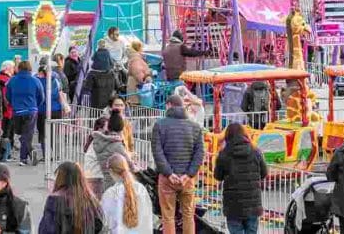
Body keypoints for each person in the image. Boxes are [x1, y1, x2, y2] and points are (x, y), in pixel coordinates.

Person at [152, 94, 205, 234]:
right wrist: (188, 175)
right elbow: (199, 154)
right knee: (188, 215)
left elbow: (157, 152)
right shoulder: (195, 127)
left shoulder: (159, 125)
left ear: (169, 105)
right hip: (187, 179)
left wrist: (169, 173)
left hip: (167, 178)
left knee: (168, 216)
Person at [213, 123, 268, 234]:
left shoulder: (224, 154)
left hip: (233, 205)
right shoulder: (256, 151)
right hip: (253, 203)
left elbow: (217, 176)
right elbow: (264, 173)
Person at [38, 161, 104, 234]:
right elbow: (99, 225)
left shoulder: (54, 200)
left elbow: (47, 230)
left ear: (60, 178)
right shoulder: (91, 200)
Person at [101, 154, 153, 234]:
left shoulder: (110, 194)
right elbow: (148, 220)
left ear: (111, 171)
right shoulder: (141, 189)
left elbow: (105, 222)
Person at [7, 60, 43, 166]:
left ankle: (23, 158)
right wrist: (36, 105)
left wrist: (13, 104)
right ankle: (29, 153)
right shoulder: (35, 80)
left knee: (22, 134)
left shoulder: (12, 80)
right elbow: (41, 96)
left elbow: (7, 95)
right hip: (31, 110)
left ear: (19, 68)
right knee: (27, 135)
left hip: (17, 111)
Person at [90, 110, 132, 193]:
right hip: (116, 185)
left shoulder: (100, 141)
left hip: (106, 183)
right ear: (121, 127)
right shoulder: (117, 145)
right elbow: (130, 165)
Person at [37, 63, 65, 157]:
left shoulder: (38, 81)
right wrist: (64, 106)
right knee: (54, 133)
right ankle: (57, 154)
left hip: (43, 110)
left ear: (41, 72)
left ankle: (46, 155)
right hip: (56, 110)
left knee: (43, 133)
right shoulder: (55, 81)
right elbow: (61, 94)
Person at [124, 41, 151, 107]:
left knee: (134, 106)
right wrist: (146, 79)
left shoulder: (134, 57)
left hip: (133, 85)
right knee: (136, 107)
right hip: (136, 87)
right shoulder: (136, 58)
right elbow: (138, 73)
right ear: (139, 48)